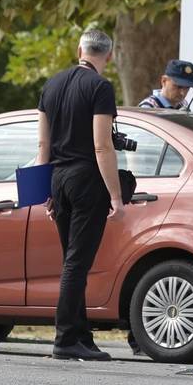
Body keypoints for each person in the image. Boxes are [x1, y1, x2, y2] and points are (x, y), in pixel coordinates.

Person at [36, 29, 124, 361]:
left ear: (79, 50)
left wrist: (45, 189)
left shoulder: (51, 85)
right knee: (77, 263)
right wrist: (115, 197)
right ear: (109, 57)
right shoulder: (100, 88)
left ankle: (82, 335)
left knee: (74, 262)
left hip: (57, 179)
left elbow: (43, 145)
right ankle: (65, 338)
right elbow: (102, 145)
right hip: (87, 180)